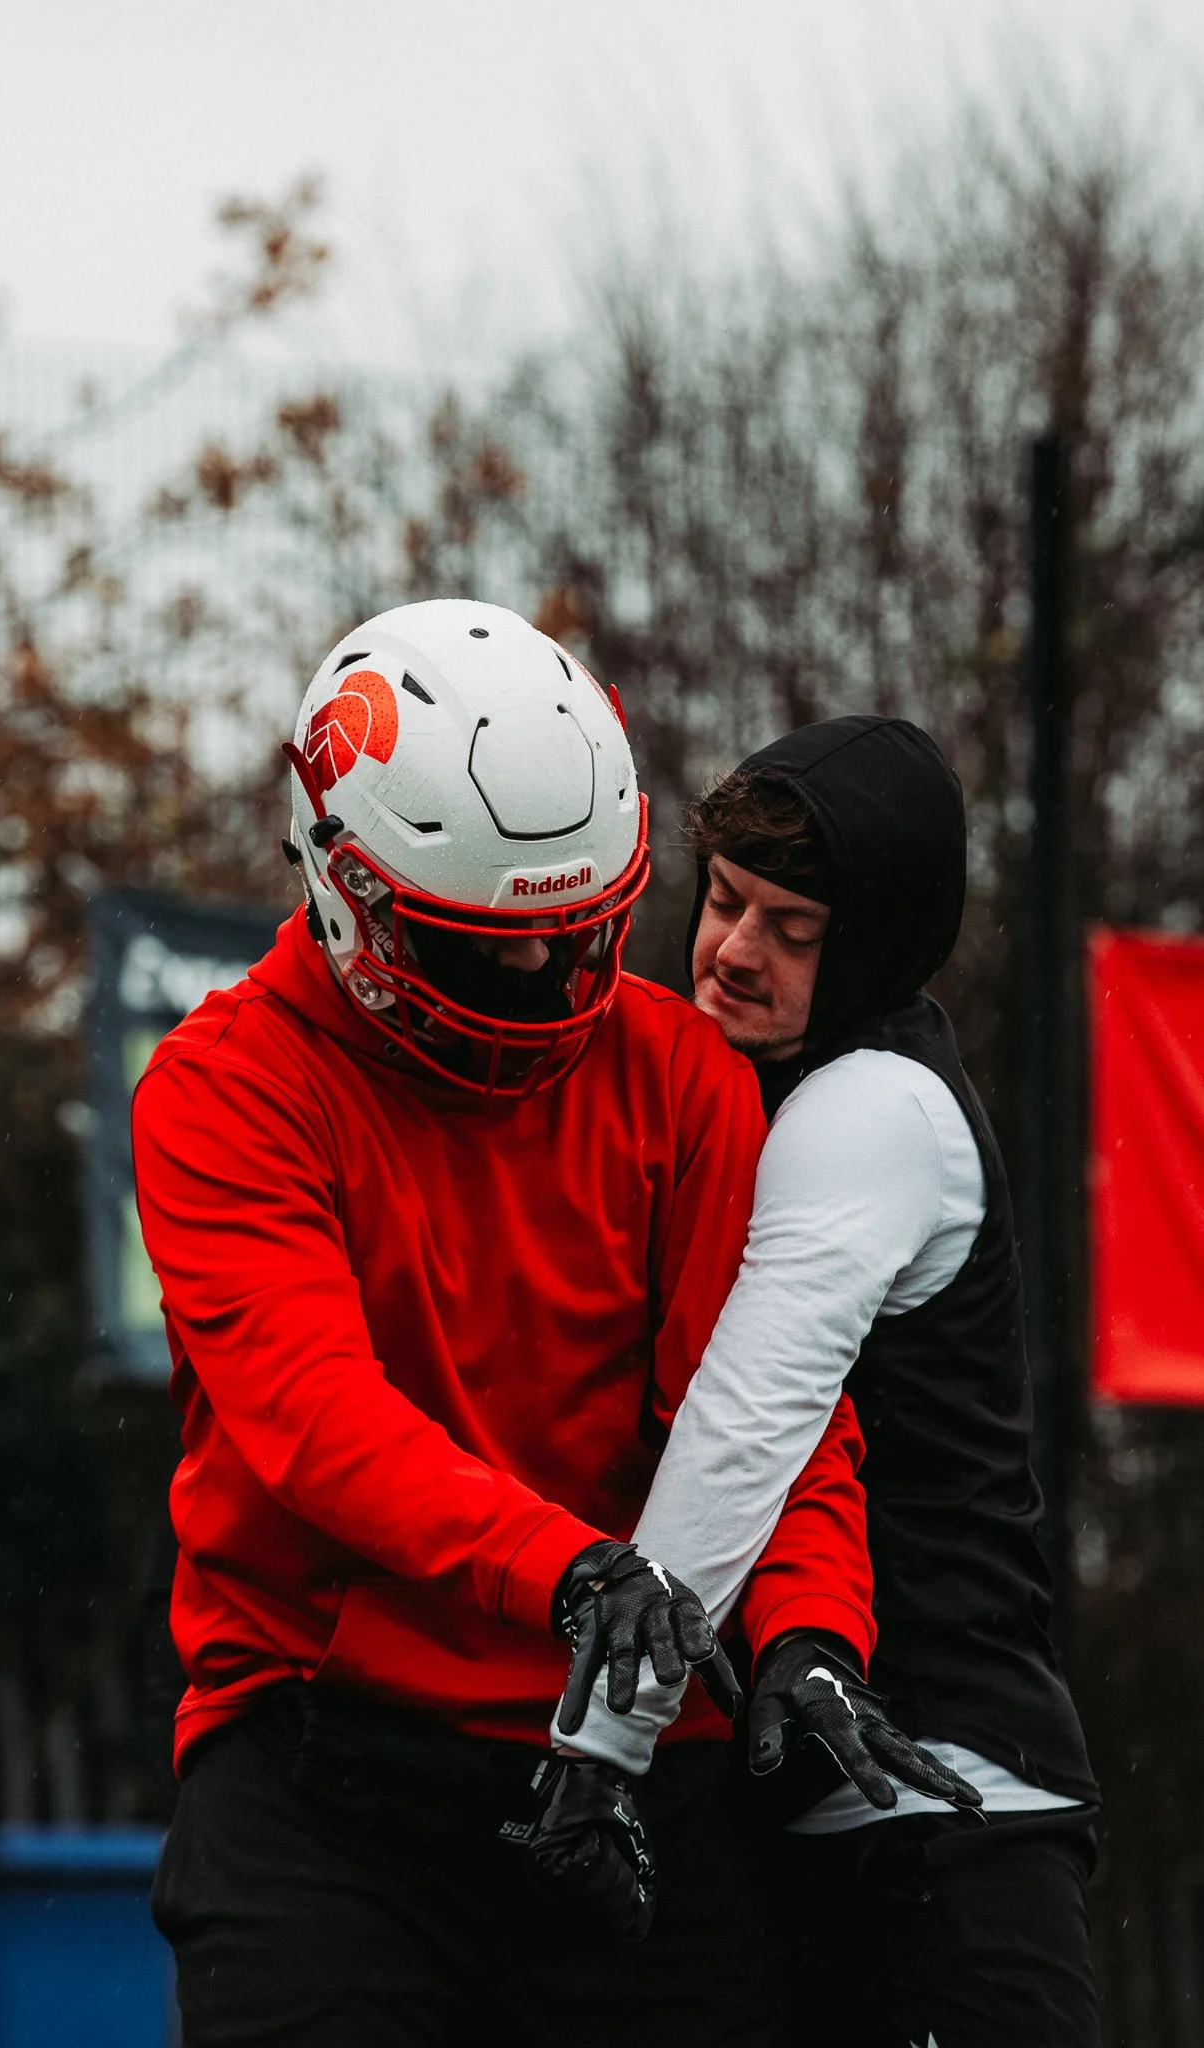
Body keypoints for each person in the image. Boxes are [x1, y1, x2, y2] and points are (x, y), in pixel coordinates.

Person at [132, 605, 948, 2048]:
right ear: (347, 892)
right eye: (489, 946)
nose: (551, 984)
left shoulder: (682, 1074)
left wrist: (813, 1632)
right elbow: (316, 1420)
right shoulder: (224, 1091)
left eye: (581, 936)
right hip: (332, 1776)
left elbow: (769, 1408)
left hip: (642, 1762)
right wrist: (571, 1571)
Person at [561, 716, 1101, 2047]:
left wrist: (600, 1749)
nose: (735, 950)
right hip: (829, 1814)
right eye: (726, 902)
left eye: (793, 930)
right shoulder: (737, 1090)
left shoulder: (868, 1109)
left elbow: (745, 1419)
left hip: (938, 1821)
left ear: (866, 951)